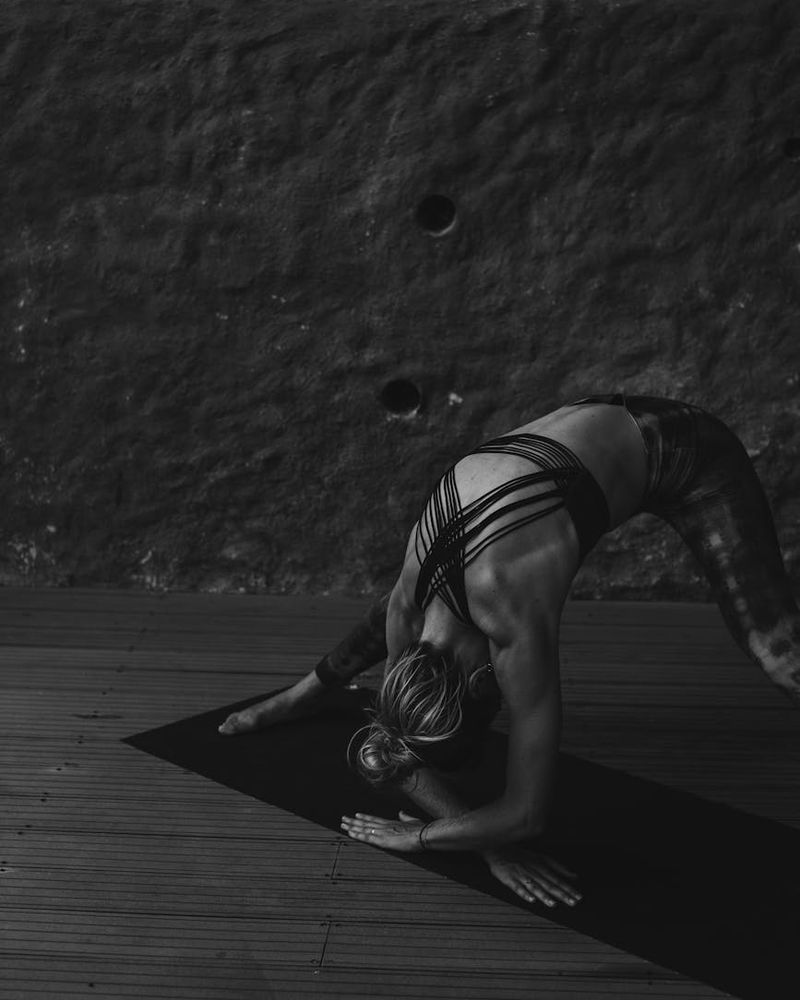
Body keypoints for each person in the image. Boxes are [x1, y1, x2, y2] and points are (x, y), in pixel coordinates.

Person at [219, 394, 799, 910]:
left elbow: (525, 815)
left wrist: (421, 837)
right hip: (595, 424)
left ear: (481, 683)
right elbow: (384, 749)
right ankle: (304, 695)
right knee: (415, 604)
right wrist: (481, 839)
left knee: (777, 653)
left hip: (687, 449)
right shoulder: (410, 610)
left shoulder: (512, 616)